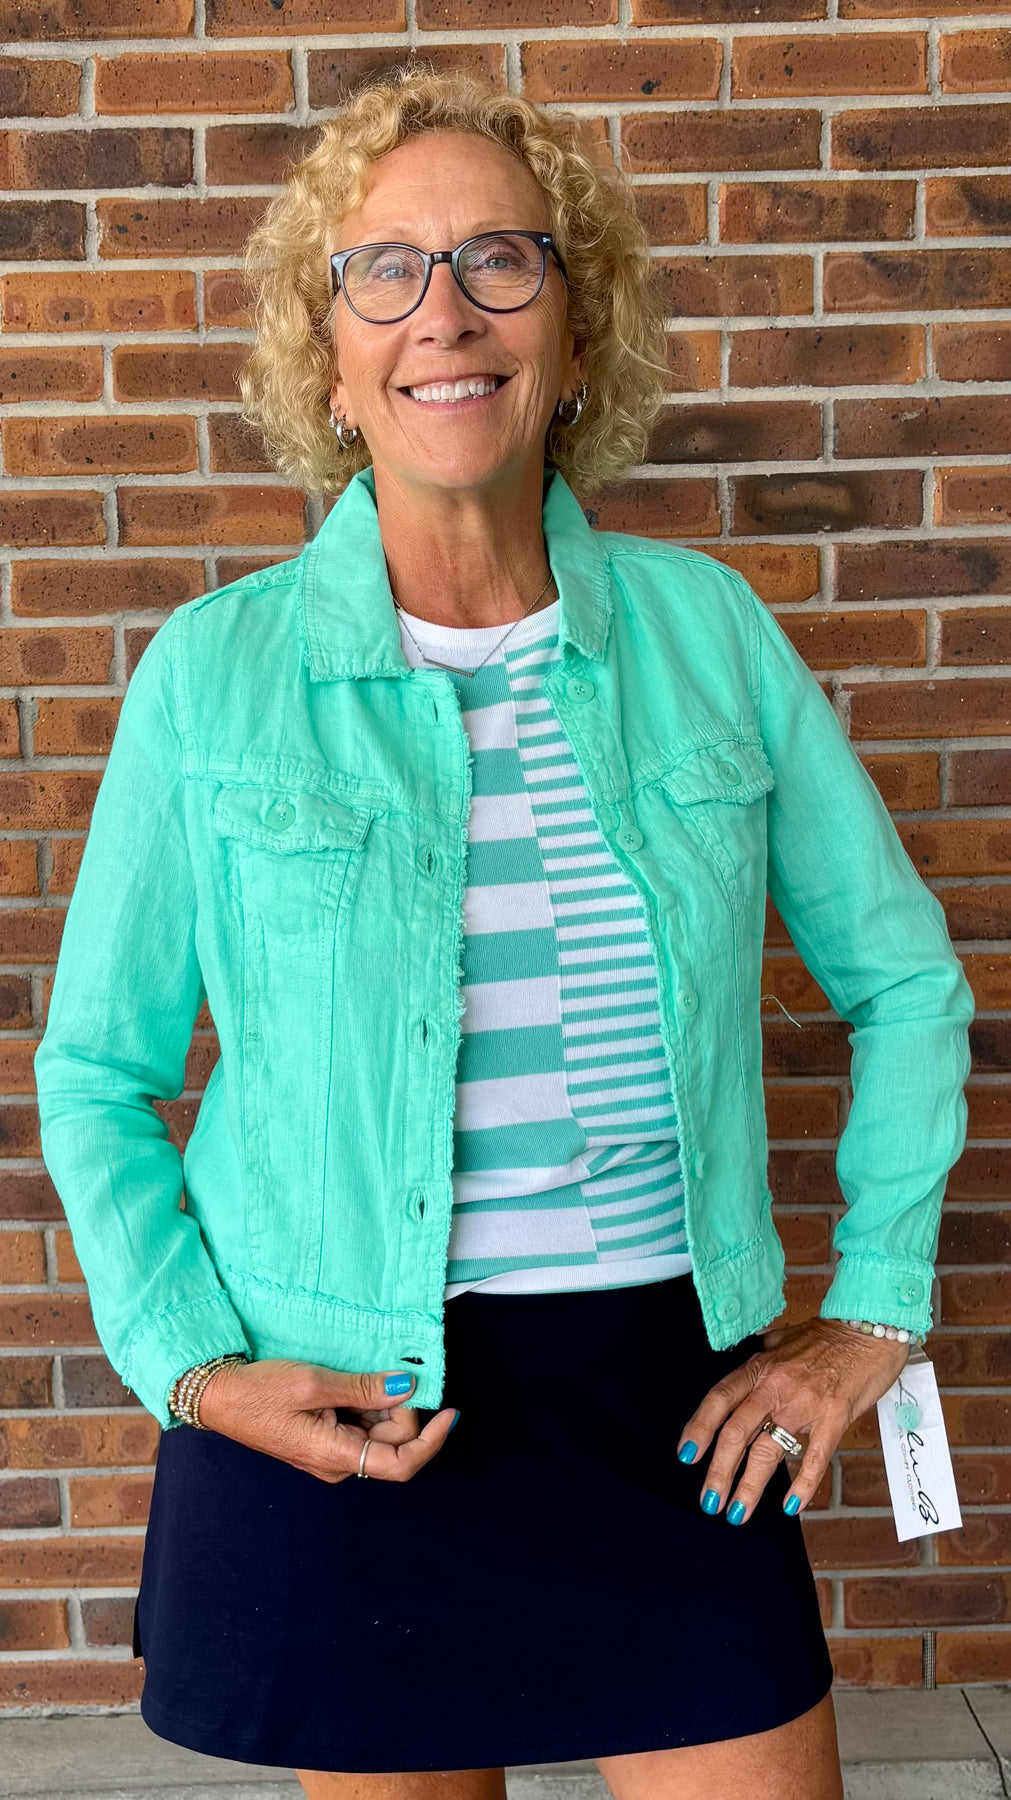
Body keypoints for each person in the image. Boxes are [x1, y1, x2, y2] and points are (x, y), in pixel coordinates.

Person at [33, 64, 974, 1800]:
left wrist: (875, 1315)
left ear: (577, 328)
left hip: (669, 1408)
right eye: (382, 270)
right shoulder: (215, 678)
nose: (443, 312)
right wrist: (195, 1369)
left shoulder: (710, 635)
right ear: (327, 358)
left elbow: (908, 985)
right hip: (346, 1411)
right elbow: (95, 1072)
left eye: (499, 259)